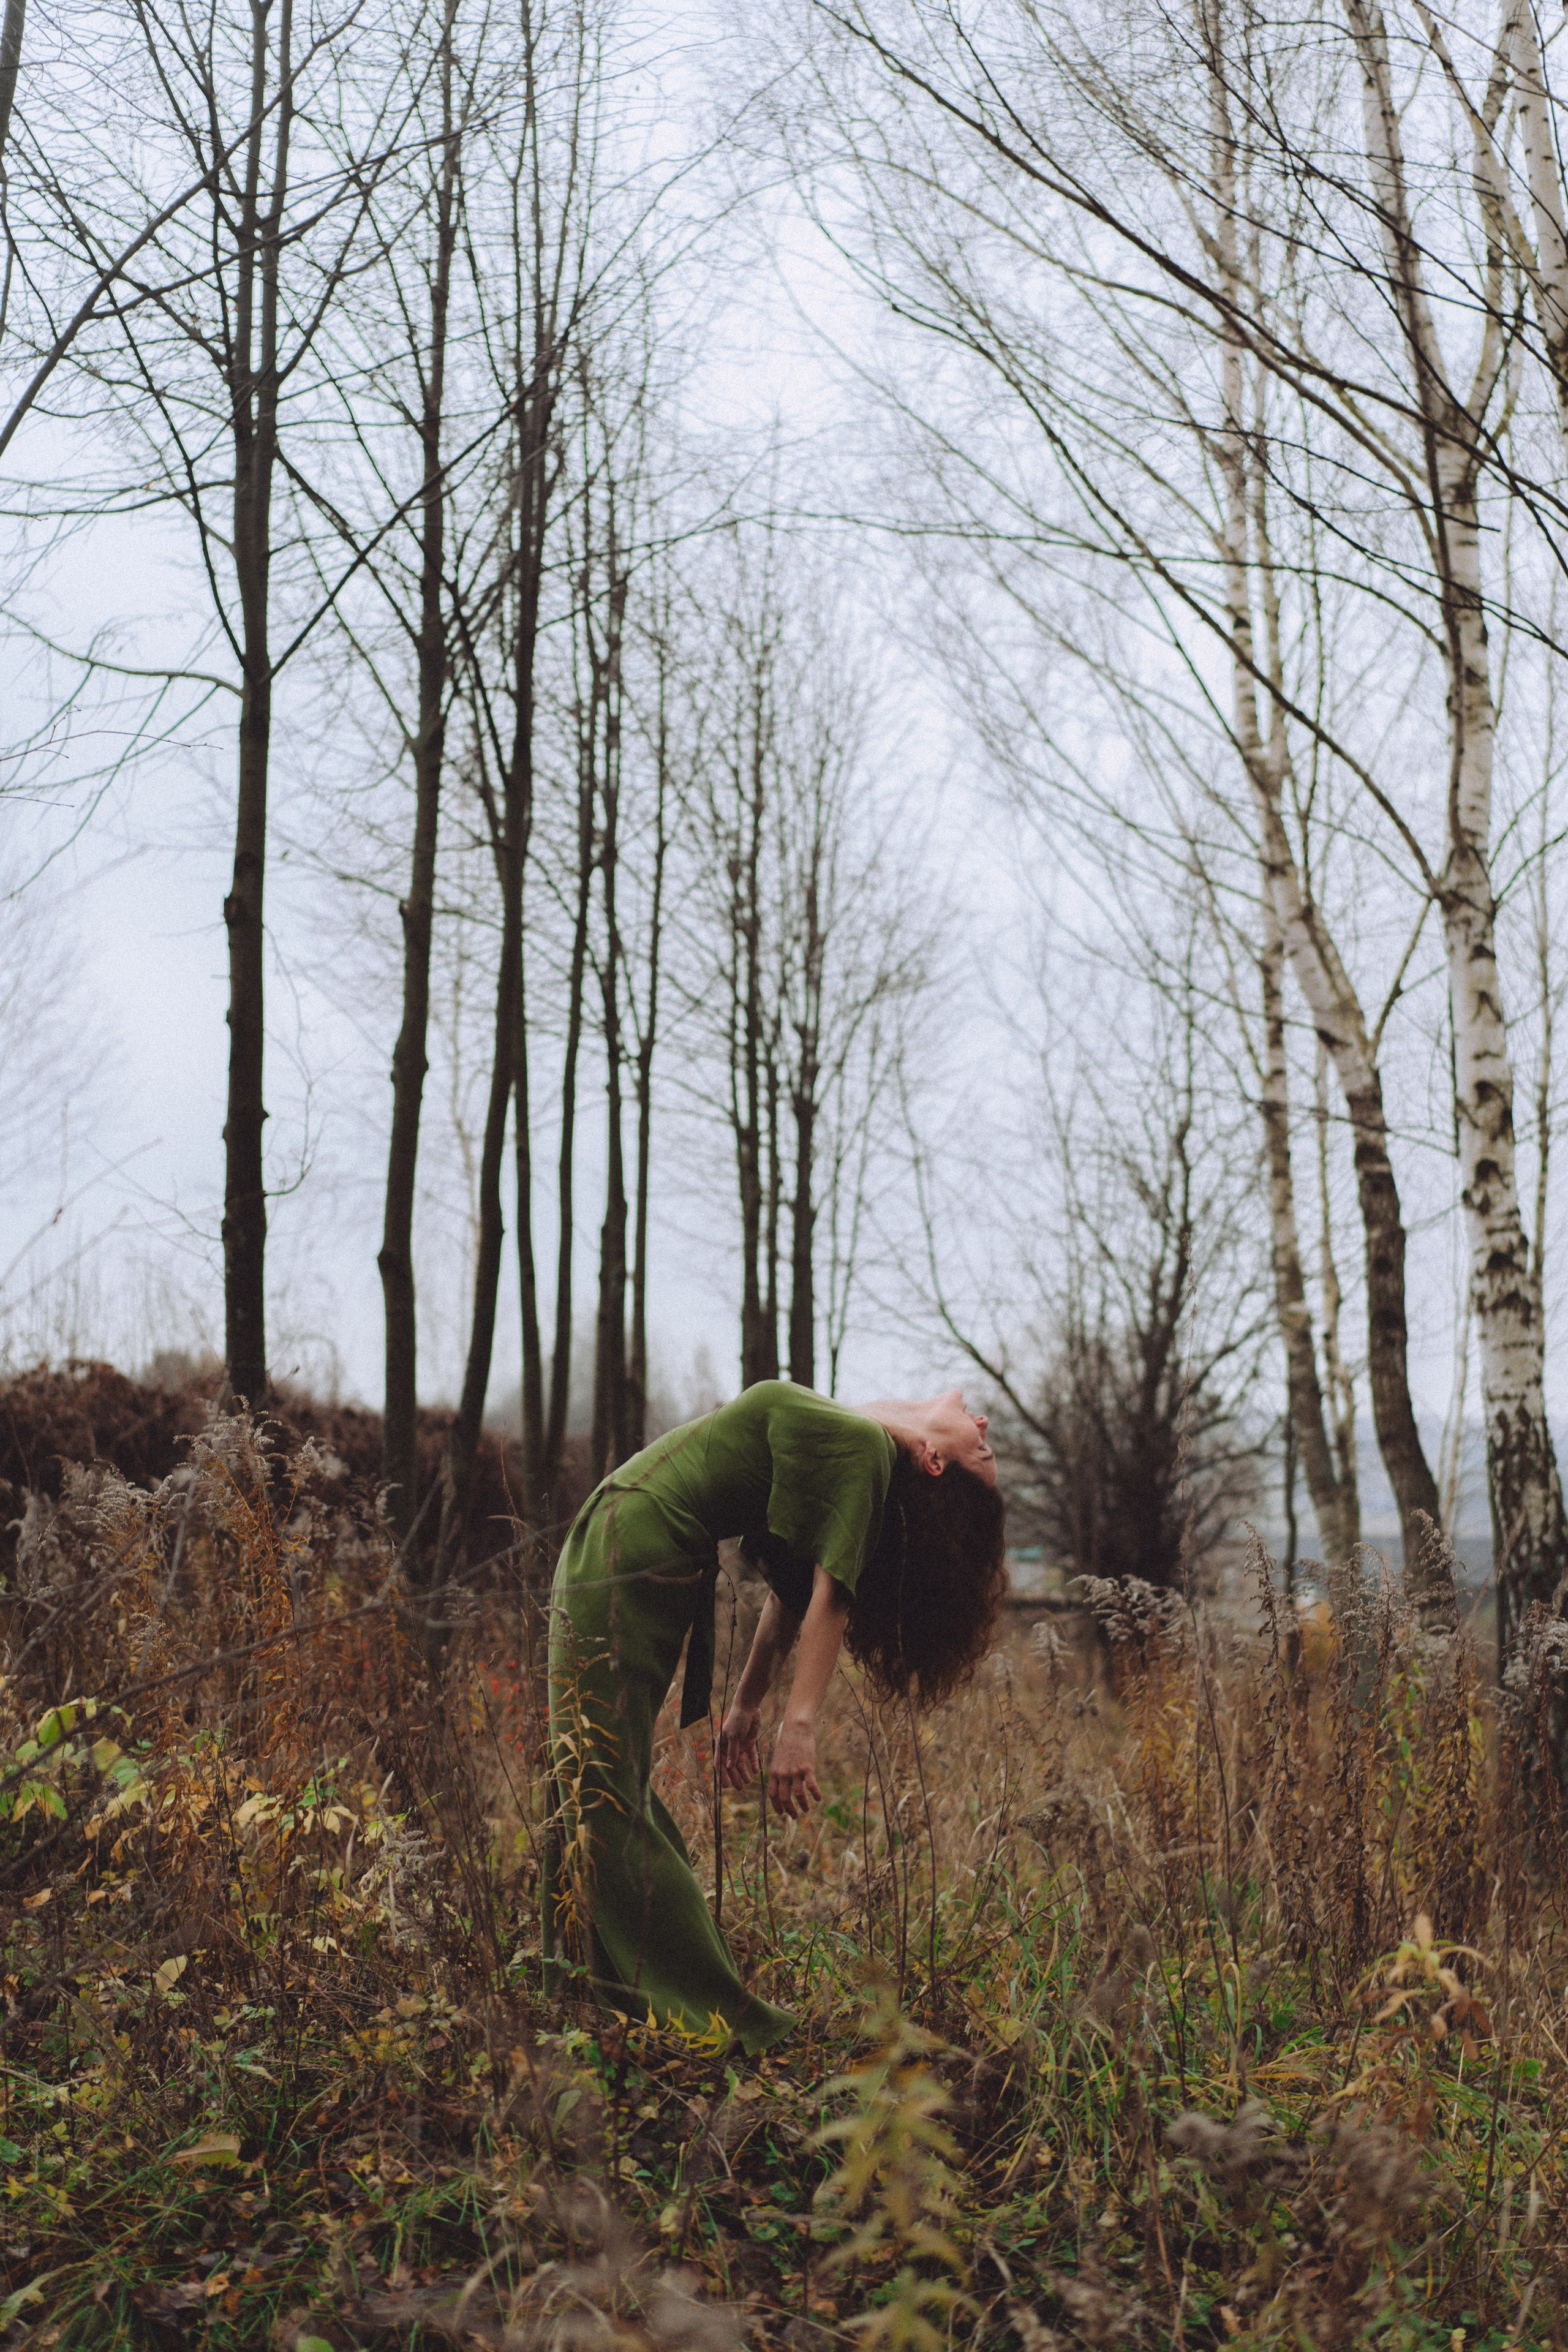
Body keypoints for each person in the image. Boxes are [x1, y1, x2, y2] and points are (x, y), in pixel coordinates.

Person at [543, 1378, 1006, 2054]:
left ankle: (712, 2013)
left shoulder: (861, 1450)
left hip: (633, 1543)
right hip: (633, 1537)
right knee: (591, 1773)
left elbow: (829, 1594)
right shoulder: (858, 1443)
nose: (983, 1419)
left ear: (936, 1462)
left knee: (598, 1778)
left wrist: (799, 1725)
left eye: (983, 1446)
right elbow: (789, 1594)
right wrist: (745, 1704)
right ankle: (587, 1981)